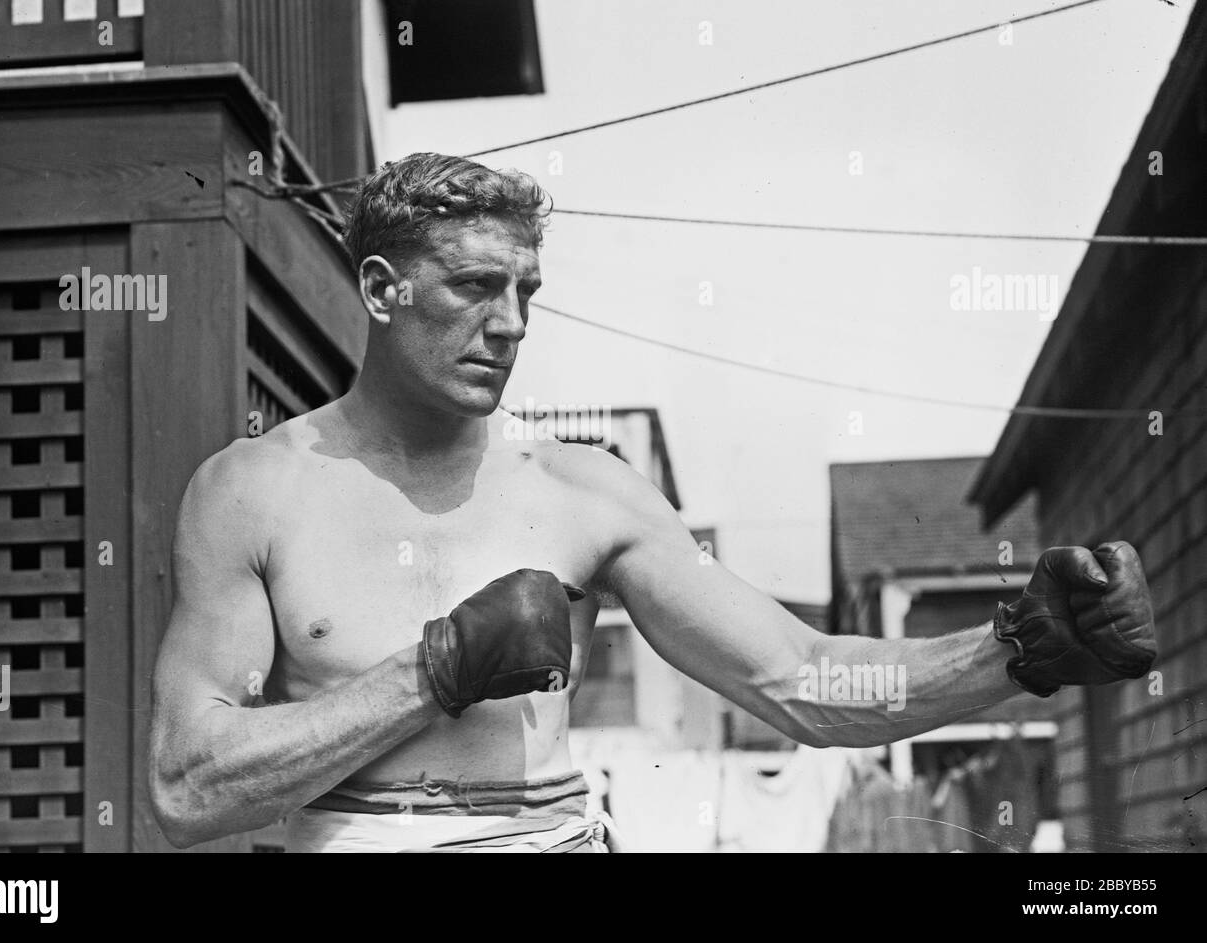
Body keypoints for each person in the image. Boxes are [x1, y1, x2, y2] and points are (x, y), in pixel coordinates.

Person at [146, 152, 1157, 853]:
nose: (509, 325)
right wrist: (432, 669)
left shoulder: (585, 490)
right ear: (379, 290)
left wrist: (1013, 653)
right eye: (471, 286)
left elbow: (798, 676)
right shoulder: (254, 491)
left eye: (527, 292)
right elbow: (186, 787)